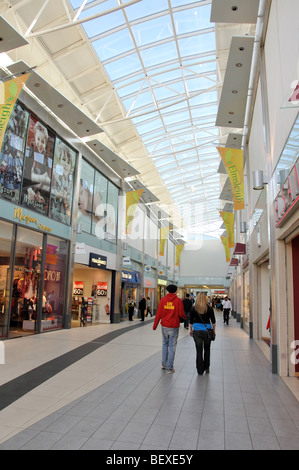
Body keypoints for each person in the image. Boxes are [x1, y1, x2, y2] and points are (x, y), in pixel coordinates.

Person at [153, 284, 186, 374]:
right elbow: (181, 314)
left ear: (167, 291)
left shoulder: (163, 300)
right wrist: (185, 317)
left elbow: (158, 313)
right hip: (174, 326)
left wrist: (155, 325)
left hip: (164, 326)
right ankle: (169, 367)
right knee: (172, 347)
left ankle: (164, 363)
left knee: (164, 344)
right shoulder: (178, 301)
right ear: (175, 291)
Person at [189, 293, 216, 375]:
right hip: (207, 331)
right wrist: (213, 331)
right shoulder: (210, 308)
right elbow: (213, 322)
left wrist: (191, 330)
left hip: (197, 331)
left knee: (199, 350)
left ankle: (199, 370)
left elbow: (191, 321)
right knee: (207, 349)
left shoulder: (194, 308)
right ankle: (206, 367)